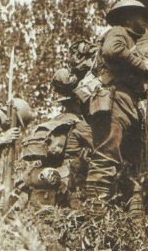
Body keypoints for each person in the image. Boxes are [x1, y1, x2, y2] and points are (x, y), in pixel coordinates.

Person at [84, 0, 148, 215]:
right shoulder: (118, 32)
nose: (145, 22)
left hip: (128, 103)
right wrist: (143, 64)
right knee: (107, 153)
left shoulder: (130, 43)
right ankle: (95, 220)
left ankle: (134, 219)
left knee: (134, 161)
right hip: (114, 100)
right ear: (128, 17)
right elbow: (111, 50)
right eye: (141, 17)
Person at [21, 68, 93, 208]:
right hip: (70, 184)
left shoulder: (56, 122)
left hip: (52, 184)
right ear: (79, 100)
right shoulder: (81, 125)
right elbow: (103, 149)